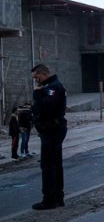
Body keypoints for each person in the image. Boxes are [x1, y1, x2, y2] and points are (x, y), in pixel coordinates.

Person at [30, 64, 68, 210]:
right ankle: (58, 197)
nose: (36, 81)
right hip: (53, 128)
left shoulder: (52, 88)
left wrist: (36, 95)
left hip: (52, 129)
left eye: (36, 77)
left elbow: (45, 107)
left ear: (44, 74)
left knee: (48, 165)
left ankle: (50, 199)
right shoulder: (51, 87)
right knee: (56, 164)